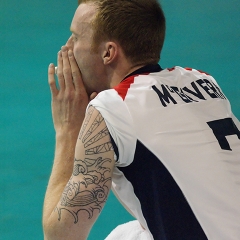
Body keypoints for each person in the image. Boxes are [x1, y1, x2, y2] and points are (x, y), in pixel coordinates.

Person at [42, 0, 240, 239]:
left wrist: (68, 129)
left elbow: (61, 235)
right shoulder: (204, 81)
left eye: (75, 36)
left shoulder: (111, 108)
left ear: (108, 52)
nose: (68, 46)